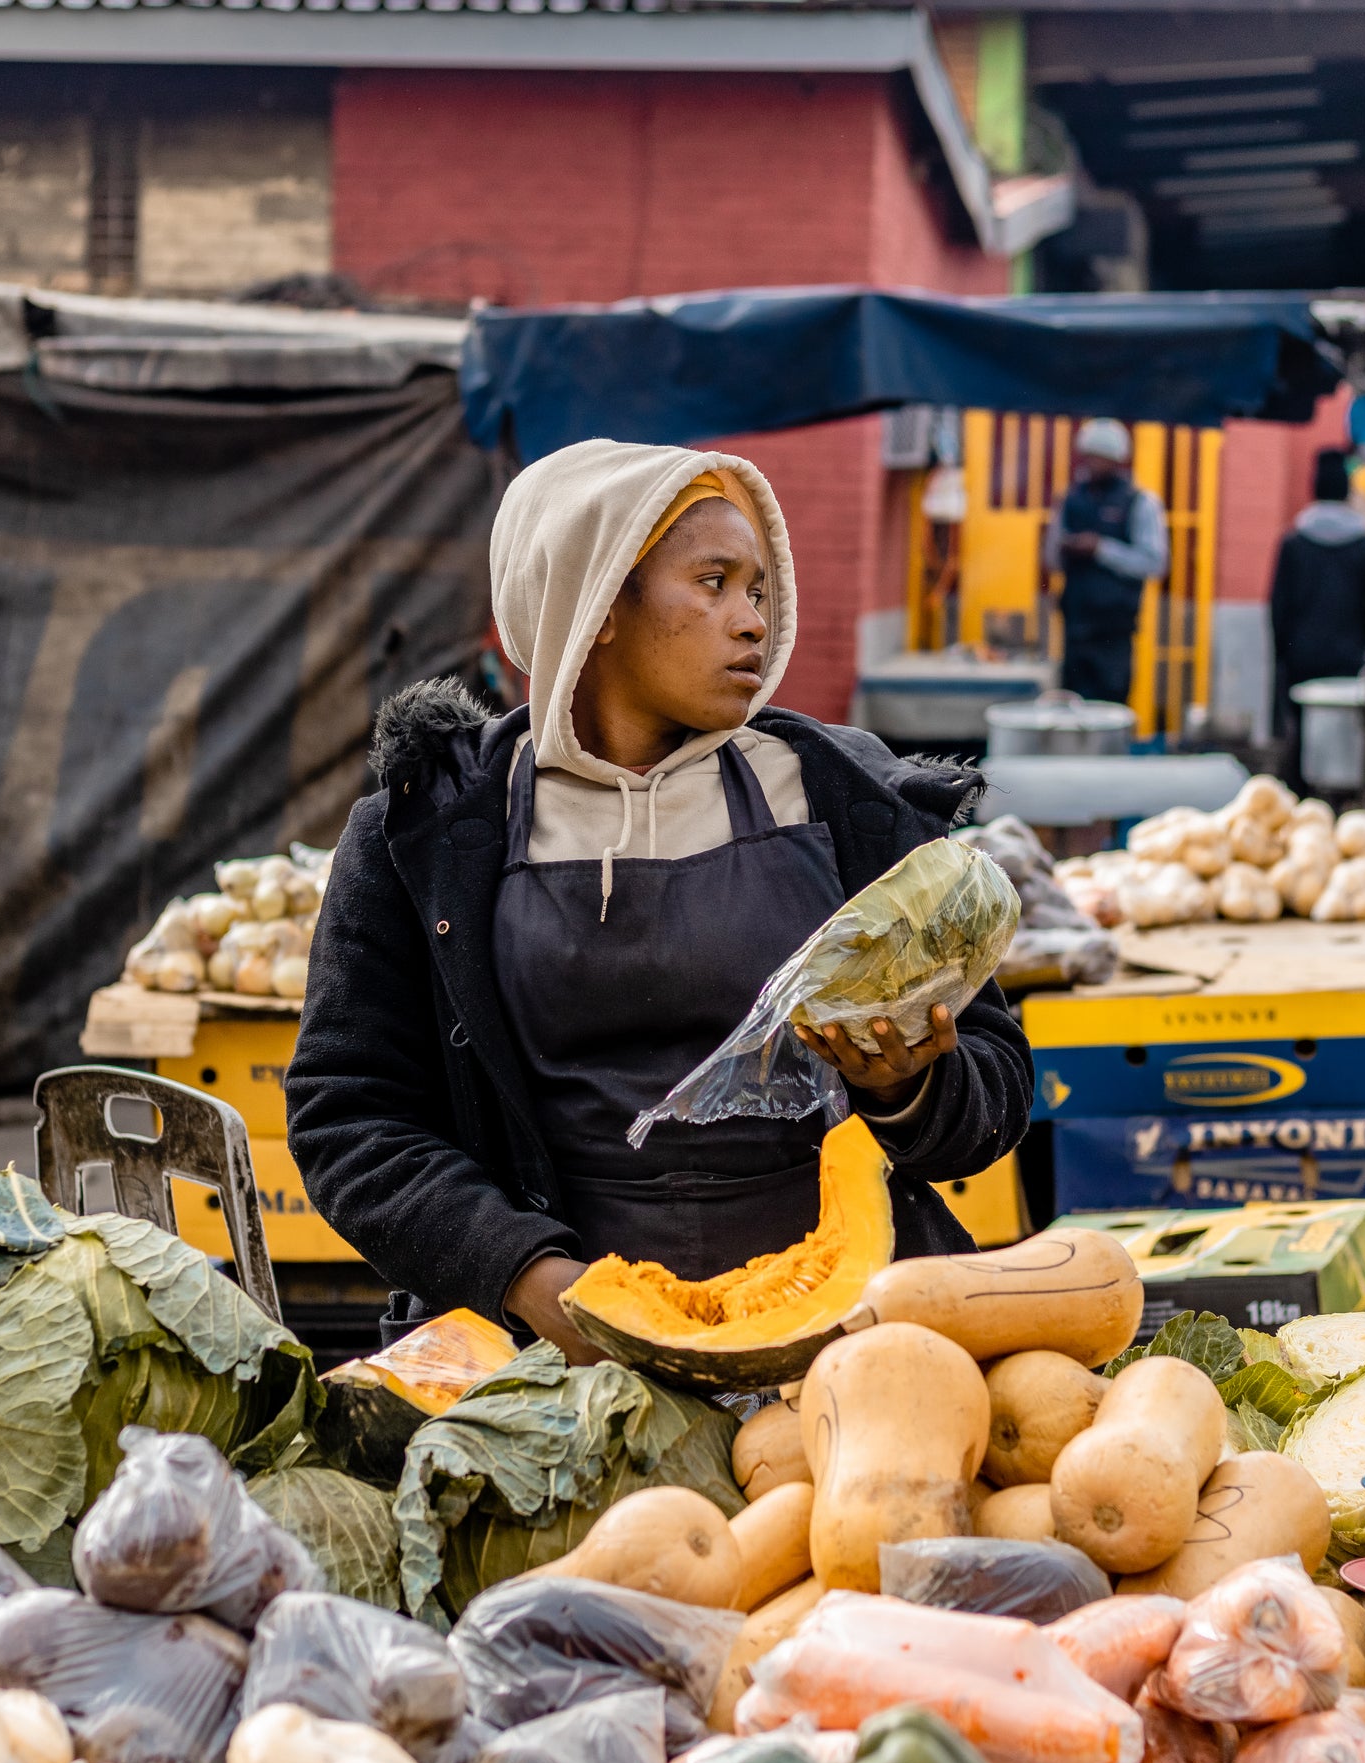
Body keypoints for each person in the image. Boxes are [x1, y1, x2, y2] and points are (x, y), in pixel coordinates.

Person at [285, 439, 1033, 1361]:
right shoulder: (427, 828)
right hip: (541, 1359)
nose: (751, 621)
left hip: (844, 1339)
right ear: (594, 603)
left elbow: (995, 1090)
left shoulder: (846, 798)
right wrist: (524, 1276)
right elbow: (348, 1115)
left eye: (757, 590)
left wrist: (907, 1087)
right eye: (712, 582)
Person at [1043, 419, 1169, 705]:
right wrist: (1066, 547)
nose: (1094, 463)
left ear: (1117, 459)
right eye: (1090, 455)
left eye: (1101, 456)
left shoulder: (1140, 503)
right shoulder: (1072, 499)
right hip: (1076, 629)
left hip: (1114, 632)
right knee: (1072, 708)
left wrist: (1101, 549)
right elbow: (1051, 559)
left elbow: (1154, 563)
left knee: (1110, 706)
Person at [1270, 447, 1365, 789]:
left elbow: (1278, 608)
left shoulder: (1295, 542)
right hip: (1347, 660)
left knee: (1301, 740)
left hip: (1301, 658)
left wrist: (1282, 655)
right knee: (1346, 742)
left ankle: (1301, 801)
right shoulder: (1364, 546)